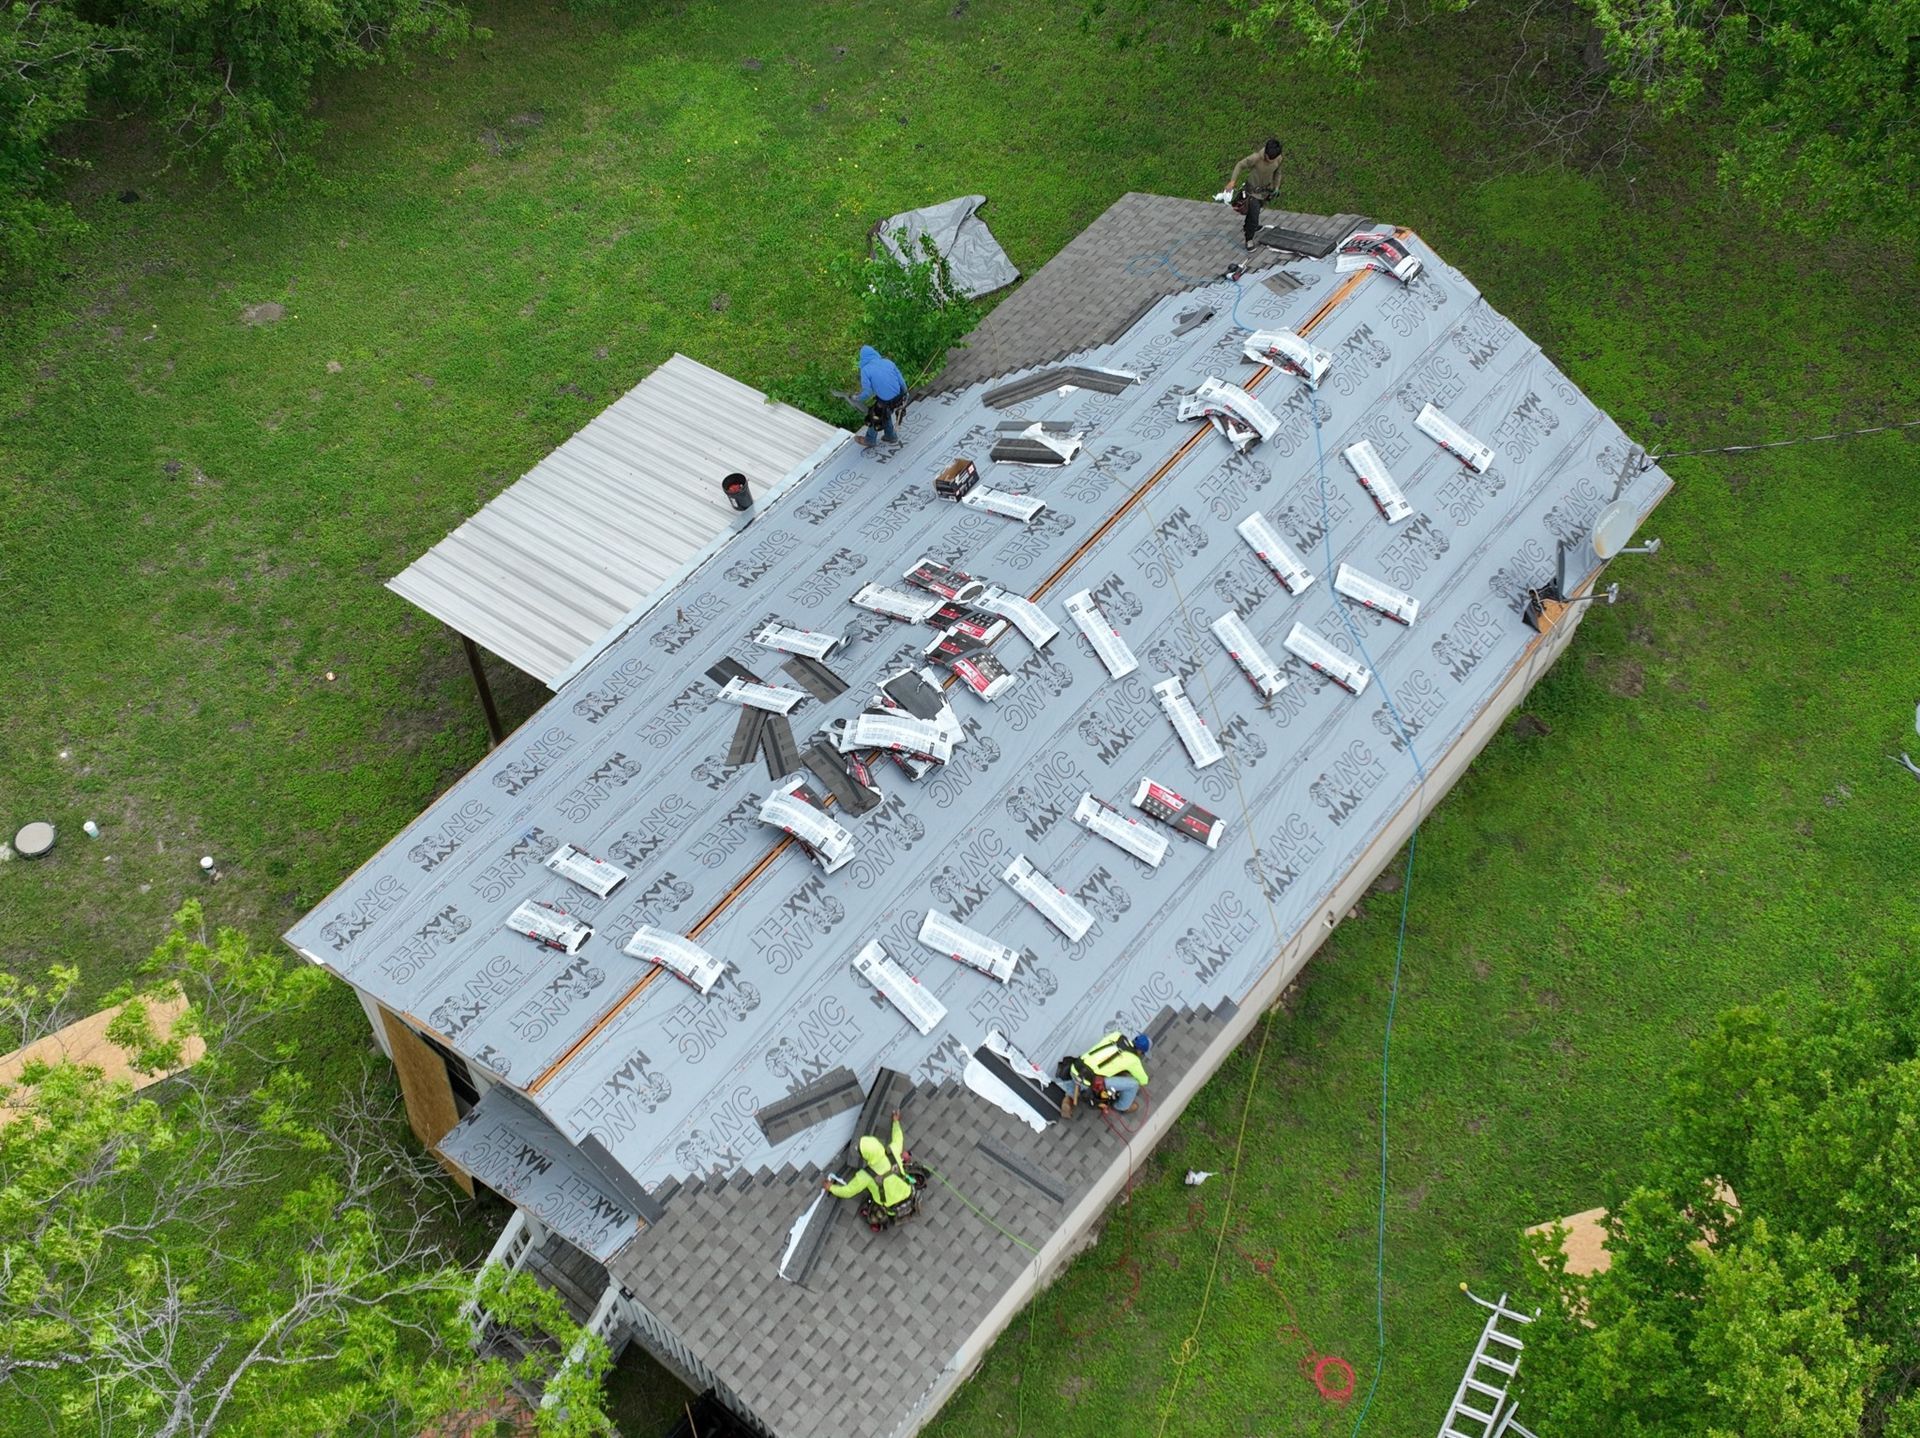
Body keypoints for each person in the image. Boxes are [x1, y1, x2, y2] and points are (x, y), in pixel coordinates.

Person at [822, 1110, 918, 1224]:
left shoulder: (865, 1176)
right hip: (910, 1194)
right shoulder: (893, 1151)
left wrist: (831, 1188)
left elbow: (848, 1191)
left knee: (873, 1209)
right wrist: (896, 1122)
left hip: (892, 1209)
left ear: (866, 1156)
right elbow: (898, 1139)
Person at [1056, 1031, 1151, 1116]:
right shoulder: (1134, 1060)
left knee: (1078, 1081)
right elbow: (1144, 1080)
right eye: (1142, 1054)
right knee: (1133, 1084)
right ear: (1140, 1051)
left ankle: (1068, 1100)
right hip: (1089, 1082)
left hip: (1076, 1067)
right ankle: (1122, 1106)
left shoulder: (1116, 1035)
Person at [1226, 138, 1285, 252]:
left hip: (1265, 192)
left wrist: (1276, 187)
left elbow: (1278, 172)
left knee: (1254, 213)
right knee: (1254, 215)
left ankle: (1249, 226)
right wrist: (1233, 181)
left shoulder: (1278, 159)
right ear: (1266, 153)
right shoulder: (1256, 158)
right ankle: (1249, 239)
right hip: (1252, 192)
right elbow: (1240, 165)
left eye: (1274, 158)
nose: (1271, 161)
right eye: (1269, 158)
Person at [854, 344, 908, 448]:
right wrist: (905, 393)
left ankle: (870, 440)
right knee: (885, 412)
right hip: (899, 396)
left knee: (875, 415)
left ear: (862, 358)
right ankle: (890, 436)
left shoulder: (865, 370)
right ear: (874, 353)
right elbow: (901, 381)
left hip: (886, 400)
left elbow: (867, 392)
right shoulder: (888, 362)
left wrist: (857, 398)